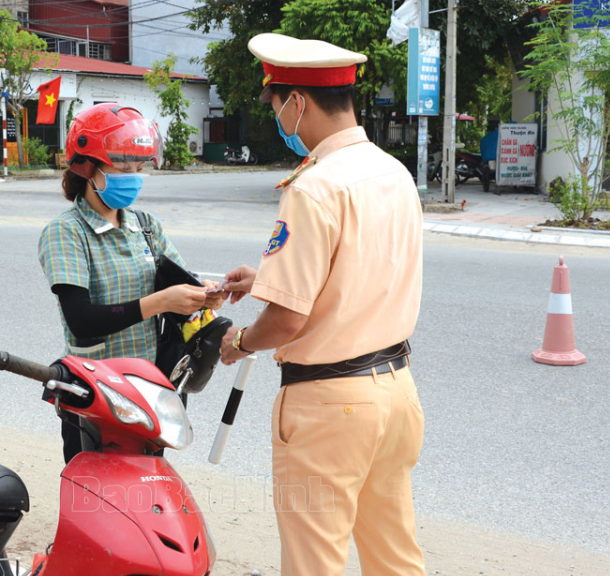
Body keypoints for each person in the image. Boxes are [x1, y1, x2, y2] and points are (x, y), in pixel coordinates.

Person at [218, 33, 427, 576]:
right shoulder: (393, 172)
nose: (276, 118)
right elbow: (361, 267)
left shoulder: (314, 187)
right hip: (396, 393)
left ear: (299, 103)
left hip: (331, 405)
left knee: (316, 563)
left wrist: (240, 342)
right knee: (394, 556)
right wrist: (266, 277)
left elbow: (288, 319)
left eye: (275, 105)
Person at [38, 103, 222, 463]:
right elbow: (81, 319)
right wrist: (161, 302)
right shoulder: (66, 232)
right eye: (123, 168)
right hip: (96, 393)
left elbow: (179, 279)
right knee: (98, 497)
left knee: (146, 486)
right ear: (87, 168)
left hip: (150, 391)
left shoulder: (145, 225)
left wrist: (204, 293)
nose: (133, 177)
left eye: (138, 168)